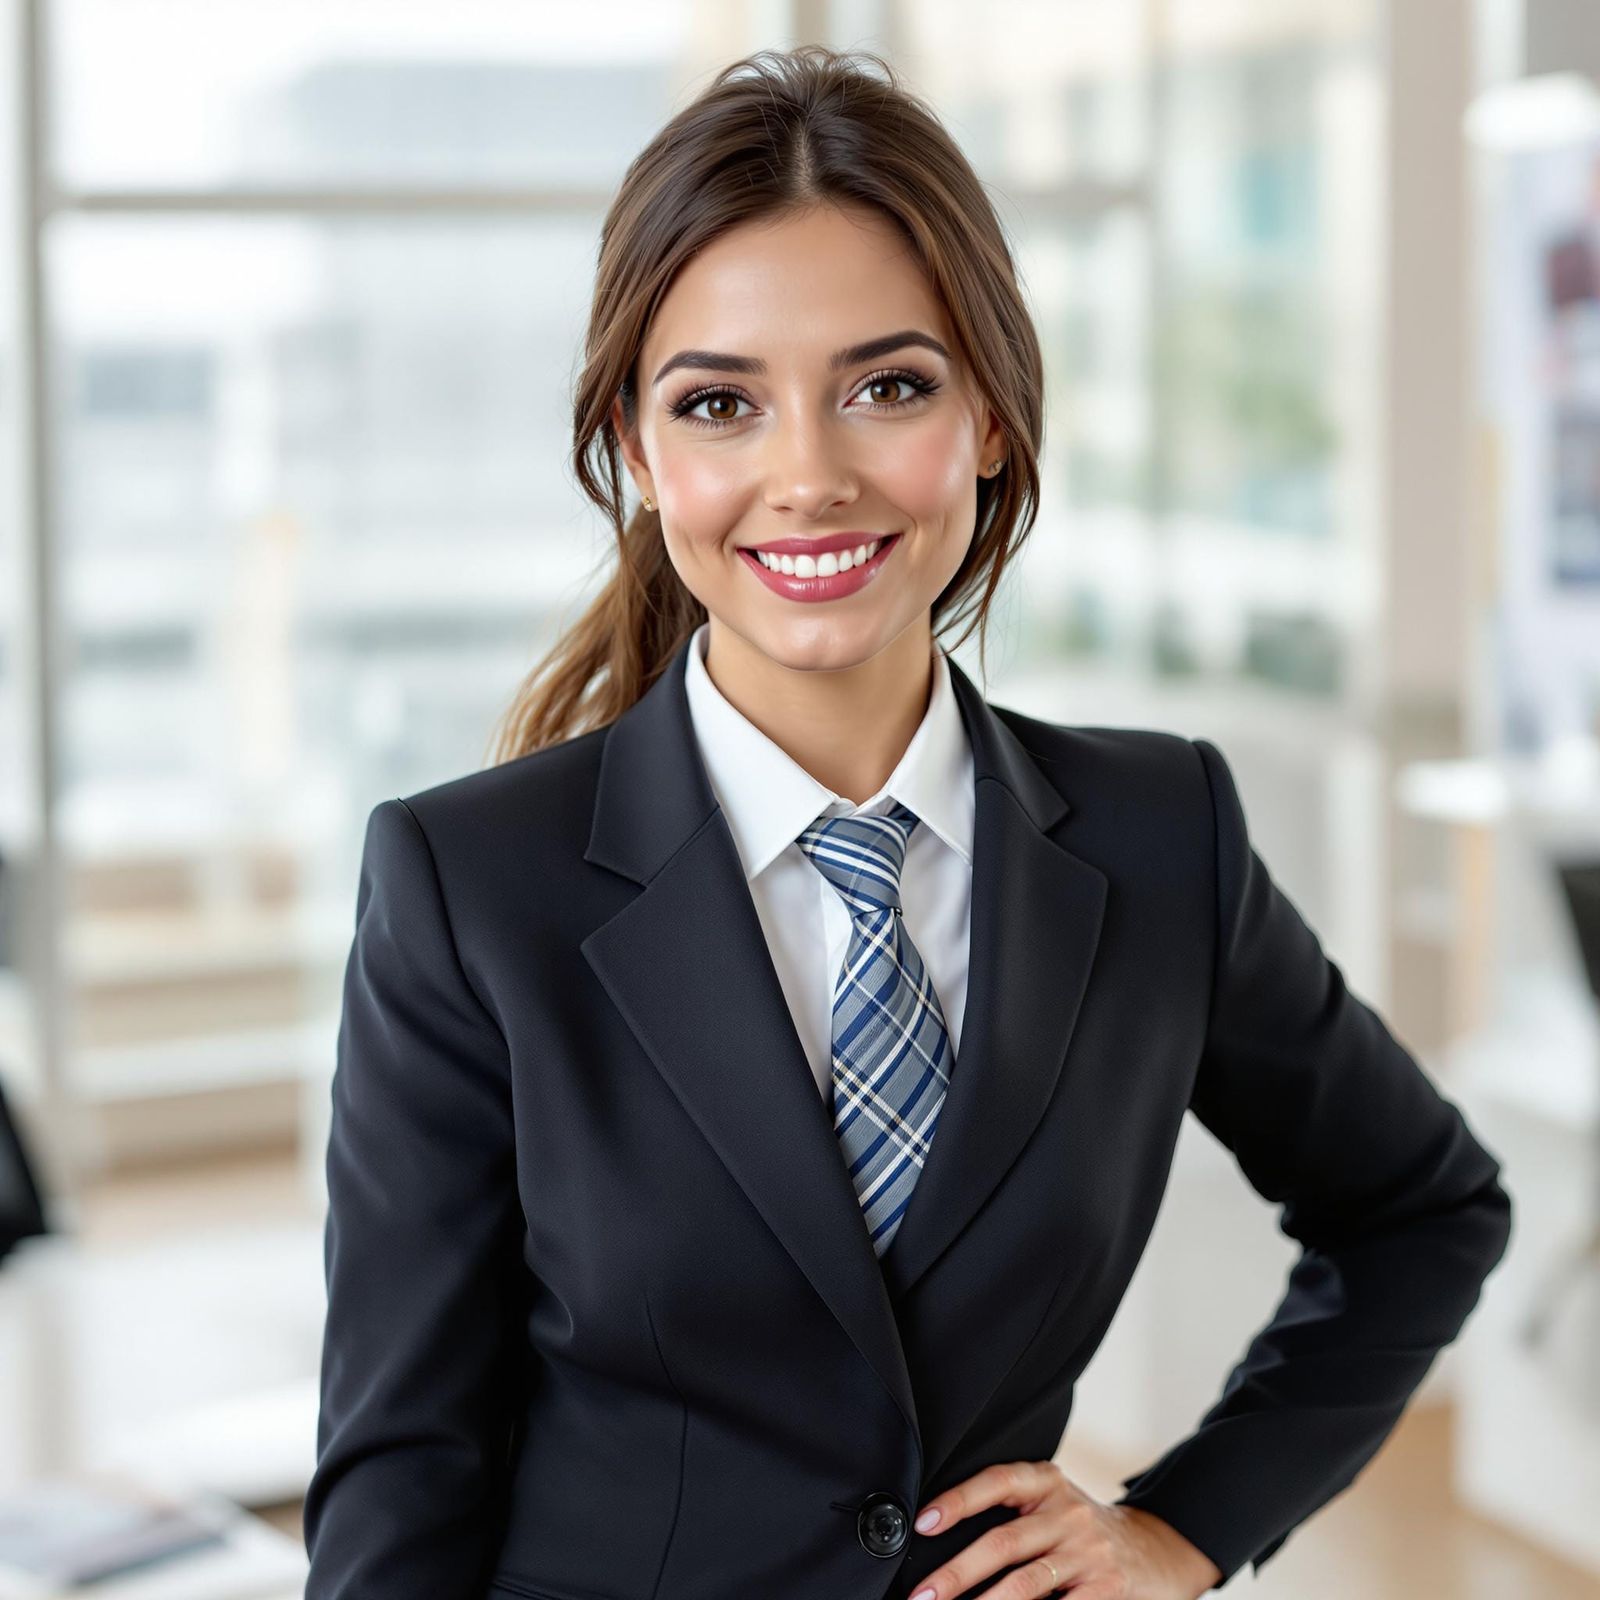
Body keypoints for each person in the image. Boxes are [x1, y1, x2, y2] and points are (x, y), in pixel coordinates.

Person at [301, 44, 1513, 1600]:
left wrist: (1185, 1525)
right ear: (637, 450)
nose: (806, 477)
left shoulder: (1160, 840)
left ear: (994, 418)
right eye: (720, 403)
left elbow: (1425, 1210)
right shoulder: (471, 888)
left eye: (889, 387)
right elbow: (407, 1470)